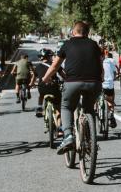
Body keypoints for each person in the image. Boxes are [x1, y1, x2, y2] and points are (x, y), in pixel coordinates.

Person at [43, 21, 103, 155]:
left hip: (73, 83)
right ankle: (89, 139)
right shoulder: (94, 45)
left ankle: (68, 136)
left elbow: (54, 66)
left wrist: (45, 79)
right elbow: (101, 66)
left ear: (73, 32)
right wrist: (101, 79)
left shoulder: (67, 44)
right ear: (87, 33)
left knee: (66, 107)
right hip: (94, 83)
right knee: (89, 109)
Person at [32, 49, 64, 136]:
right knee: (57, 109)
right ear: (49, 57)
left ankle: (39, 107)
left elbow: (33, 78)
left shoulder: (38, 67)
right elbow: (63, 75)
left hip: (42, 88)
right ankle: (59, 128)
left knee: (41, 95)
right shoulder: (55, 65)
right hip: (53, 88)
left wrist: (31, 84)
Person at [102, 51, 118, 128]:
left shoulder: (94, 62)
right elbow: (115, 73)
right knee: (111, 97)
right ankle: (111, 112)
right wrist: (113, 78)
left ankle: (95, 109)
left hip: (100, 85)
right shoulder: (110, 62)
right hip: (109, 84)